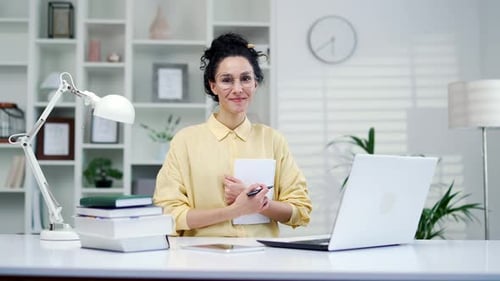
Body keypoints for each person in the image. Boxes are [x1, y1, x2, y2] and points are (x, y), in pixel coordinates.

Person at [153, 33, 311, 237]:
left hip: (261, 258)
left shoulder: (273, 140)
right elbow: (169, 214)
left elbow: (300, 210)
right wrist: (235, 210)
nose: (238, 89)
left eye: (245, 79)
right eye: (226, 80)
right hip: (200, 258)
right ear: (213, 86)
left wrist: (259, 203)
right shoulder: (186, 141)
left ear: (255, 83)